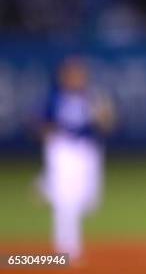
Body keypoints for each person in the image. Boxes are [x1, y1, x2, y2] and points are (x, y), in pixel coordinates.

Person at [36, 56, 116, 261]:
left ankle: (47, 185)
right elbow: (40, 123)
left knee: (89, 200)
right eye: (71, 74)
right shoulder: (54, 98)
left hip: (87, 149)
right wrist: (51, 137)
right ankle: (67, 248)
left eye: (79, 73)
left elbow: (107, 124)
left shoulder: (92, 96)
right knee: (66, 201)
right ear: (63, 76)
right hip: (62, 149)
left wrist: (103, 114)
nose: (76, 77)